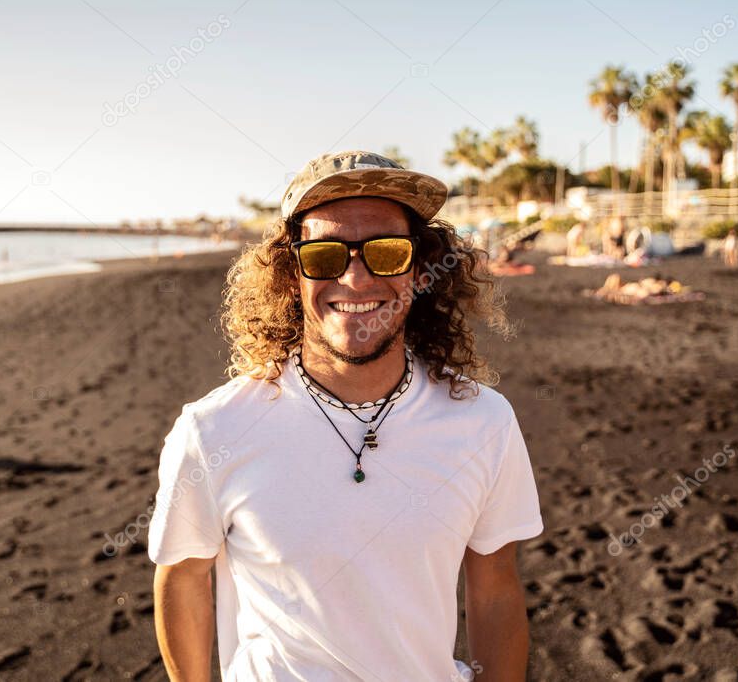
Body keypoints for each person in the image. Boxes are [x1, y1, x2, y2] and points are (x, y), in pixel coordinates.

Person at [148, 150, 544, 681]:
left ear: (420, 269)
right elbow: (183, 577)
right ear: (292, 273)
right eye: (325, 255)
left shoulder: (483, 423)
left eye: (385, 252)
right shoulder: (213, 429)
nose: (356, 279)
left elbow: (495, 587)